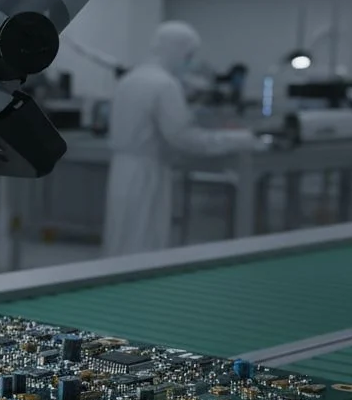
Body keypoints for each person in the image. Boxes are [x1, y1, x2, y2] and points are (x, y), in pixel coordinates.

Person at [102, 21, 258, 258]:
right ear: (177, 50)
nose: (189, 62)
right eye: (189, 55)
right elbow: (184, 138)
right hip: (148, 173)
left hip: (122, 171)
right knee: (143, 243)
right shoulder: (165, 84)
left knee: (121, 238)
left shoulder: (130, 79)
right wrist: (239, 139)